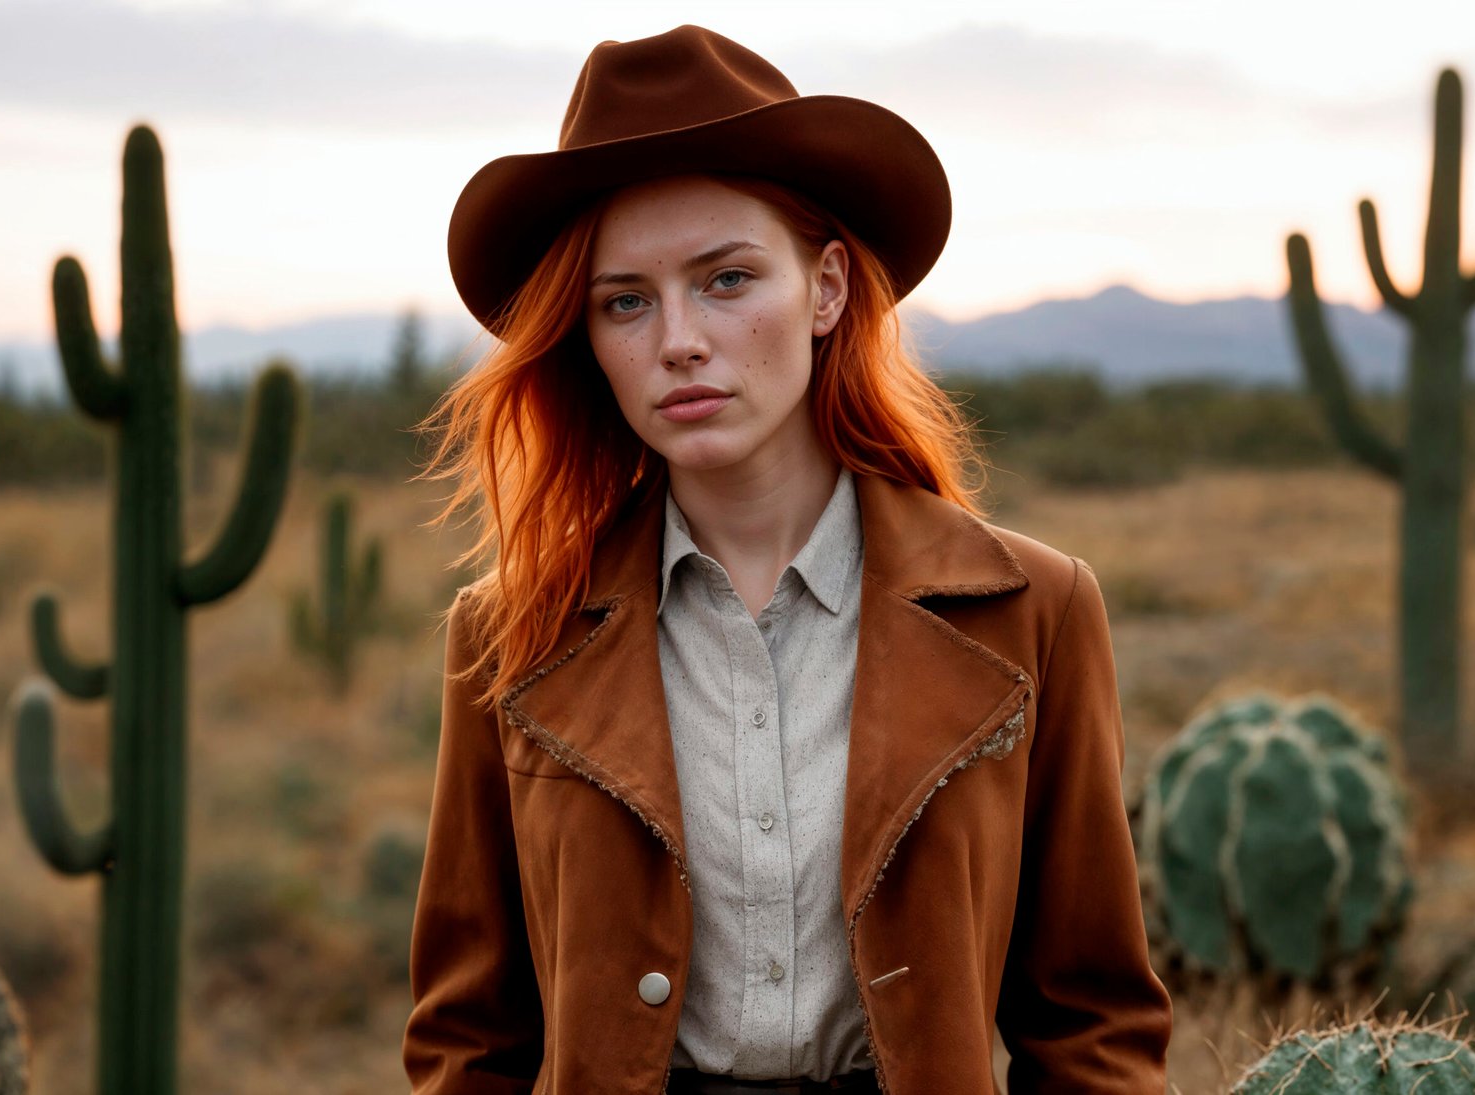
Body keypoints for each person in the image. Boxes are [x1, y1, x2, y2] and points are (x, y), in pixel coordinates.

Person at [404, 24, 1172, 1095]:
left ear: (825, 290)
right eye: (625, 300)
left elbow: (1092, 1024)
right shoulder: (509, 633)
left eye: (724, 280)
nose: (677, 338)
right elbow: (466, 1039)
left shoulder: (1030, 608)